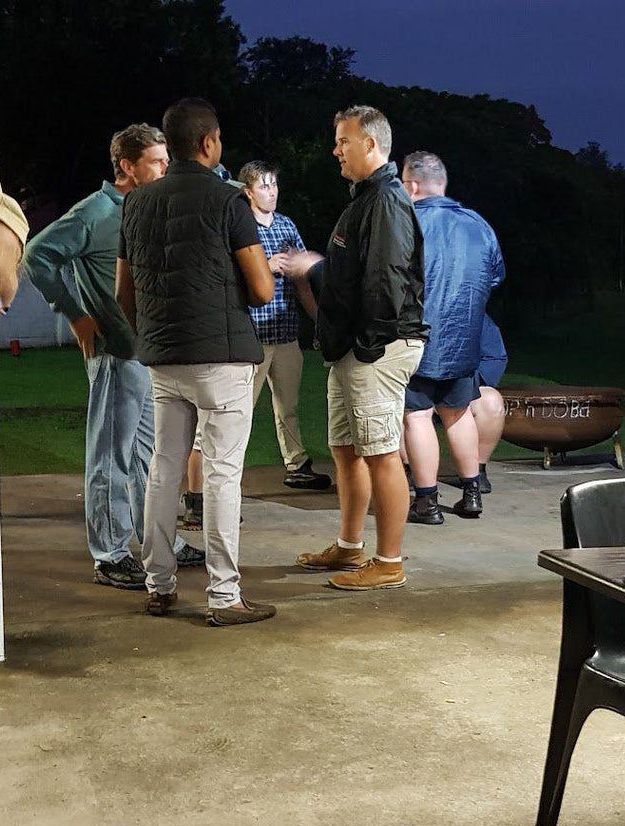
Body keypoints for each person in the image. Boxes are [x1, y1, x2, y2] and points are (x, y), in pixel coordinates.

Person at [117, 98, 278, 626]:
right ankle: (224, 595)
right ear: (209, 142)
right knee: (222, 473)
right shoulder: (229, 201)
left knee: (163, 471)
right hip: (223, 356)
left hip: (164, 355)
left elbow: (125, 296)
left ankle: (159, 586)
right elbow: (260, 288)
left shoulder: (136, 204)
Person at [25, 123, 208, 590]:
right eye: (157, 162)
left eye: (167, 161)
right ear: (128, 166)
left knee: (152, 456)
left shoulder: (146, 207)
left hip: (148, 355)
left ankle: (159, 541)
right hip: (115, 354)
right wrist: (76, 315)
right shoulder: (94, 211)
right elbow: (38, 255)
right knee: (111, 457)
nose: (166, 169)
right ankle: (109, 555)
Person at [291, 106, 428, 591]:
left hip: (376, 349)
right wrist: (320, 270)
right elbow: (355, 277)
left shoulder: (386, 201)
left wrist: (367, 347)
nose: (336, 150)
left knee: (381, 452)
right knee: (346, 448)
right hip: (353, 349)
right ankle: (351, 549)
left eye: (343, 141)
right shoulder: (365, 198)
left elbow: (386, 283)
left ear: (370, 145)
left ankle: (389, 562)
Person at [400, 151, 505, 524]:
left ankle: (427, 502)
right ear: (442, 183)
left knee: (417, 416)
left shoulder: (407, 220)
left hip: (418, 337)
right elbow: (495, 275)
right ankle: (471, 493)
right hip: (464, 339)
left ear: (411, 184)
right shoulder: (479, 224)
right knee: (458, 414)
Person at [239, 160, 334, 491]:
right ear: (248, 191)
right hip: (251, 336)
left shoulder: (286, 226)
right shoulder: (240, 227)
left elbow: (302, 281)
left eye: (274, 185)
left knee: (288, 406)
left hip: (285, 333)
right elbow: (228, 278)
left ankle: (297, 465)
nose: (272, 192)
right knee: (239, 411)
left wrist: (318, 321)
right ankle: (226, 473)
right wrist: (263, 266)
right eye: (264, 186)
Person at [468, 314, 508, 493]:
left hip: (463, 386)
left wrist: (461, 385)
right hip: (420, 388)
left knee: (491, 401)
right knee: (400, 402)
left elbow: (494, 358)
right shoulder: (412, 313)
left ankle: (476, 472)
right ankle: (408, 470)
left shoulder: (476, 316)